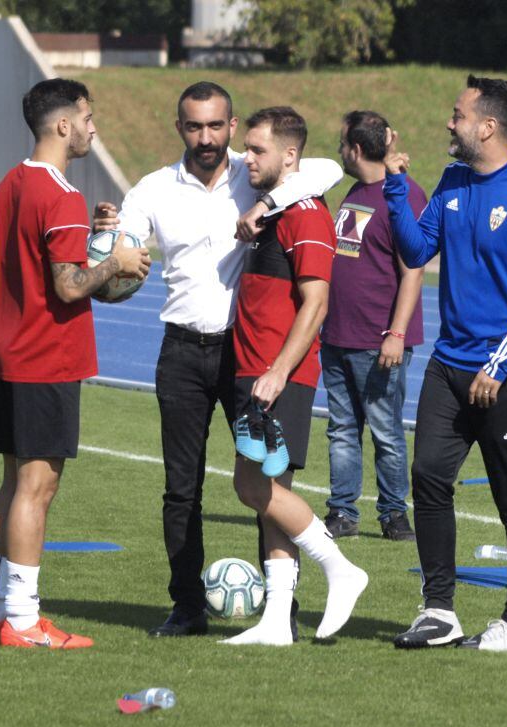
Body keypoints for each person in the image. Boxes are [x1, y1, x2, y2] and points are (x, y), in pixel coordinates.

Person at [92, 83, 342, 638]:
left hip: (243, 353)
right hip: (181, 351)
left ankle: (283, 610)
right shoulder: (153, 189)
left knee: (267, 484)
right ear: (178, 127)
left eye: (215, 126)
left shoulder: (255, 172)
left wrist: (267, 203)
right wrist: (108, 250)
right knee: (182, 488)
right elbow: (121, 266)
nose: (205, 138)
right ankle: (186, 608)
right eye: (192, 126)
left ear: (231, 127)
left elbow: (323, 167)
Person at [383, 75, 507, 653]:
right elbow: (417, 250)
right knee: (429, 477)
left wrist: (500, 361)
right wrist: (395, 190)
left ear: (487, 126)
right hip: (449, 365)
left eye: (457, 114)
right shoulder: (453, 180)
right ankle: (439, 611)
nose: (449, 122)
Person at [0, 78, 151, 648]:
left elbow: (39, 259)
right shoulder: (61, 193)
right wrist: (117, 260)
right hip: (43, 357)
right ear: (64, 124)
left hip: (5, 351)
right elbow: (70, 287)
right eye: (88, 117)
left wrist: (90, 244)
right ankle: (23, 622)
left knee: (9, 486)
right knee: (36, 489)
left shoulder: (10, 183)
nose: (94, 128)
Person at [225, 106, 369, 646]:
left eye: (258, 150)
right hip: (253, 366)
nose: (247, 158)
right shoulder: (276, 206)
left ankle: (340, 568)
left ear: (289, 155)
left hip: (275, 372)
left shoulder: (305, 212)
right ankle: (276, 620)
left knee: (250, 484)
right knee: (269, 496)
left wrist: (279, 371)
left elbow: (317, 300)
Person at [321, 110, 426, 543]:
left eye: (343, 143)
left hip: (377, 339)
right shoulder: (357, 190)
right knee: (342, 429)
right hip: (338, 334)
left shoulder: (403, 193)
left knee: (385, 430)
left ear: (357, 149)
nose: (339, 151)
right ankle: (342, 511)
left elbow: (413, 269)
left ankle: (393, 514)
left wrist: (396, 334)